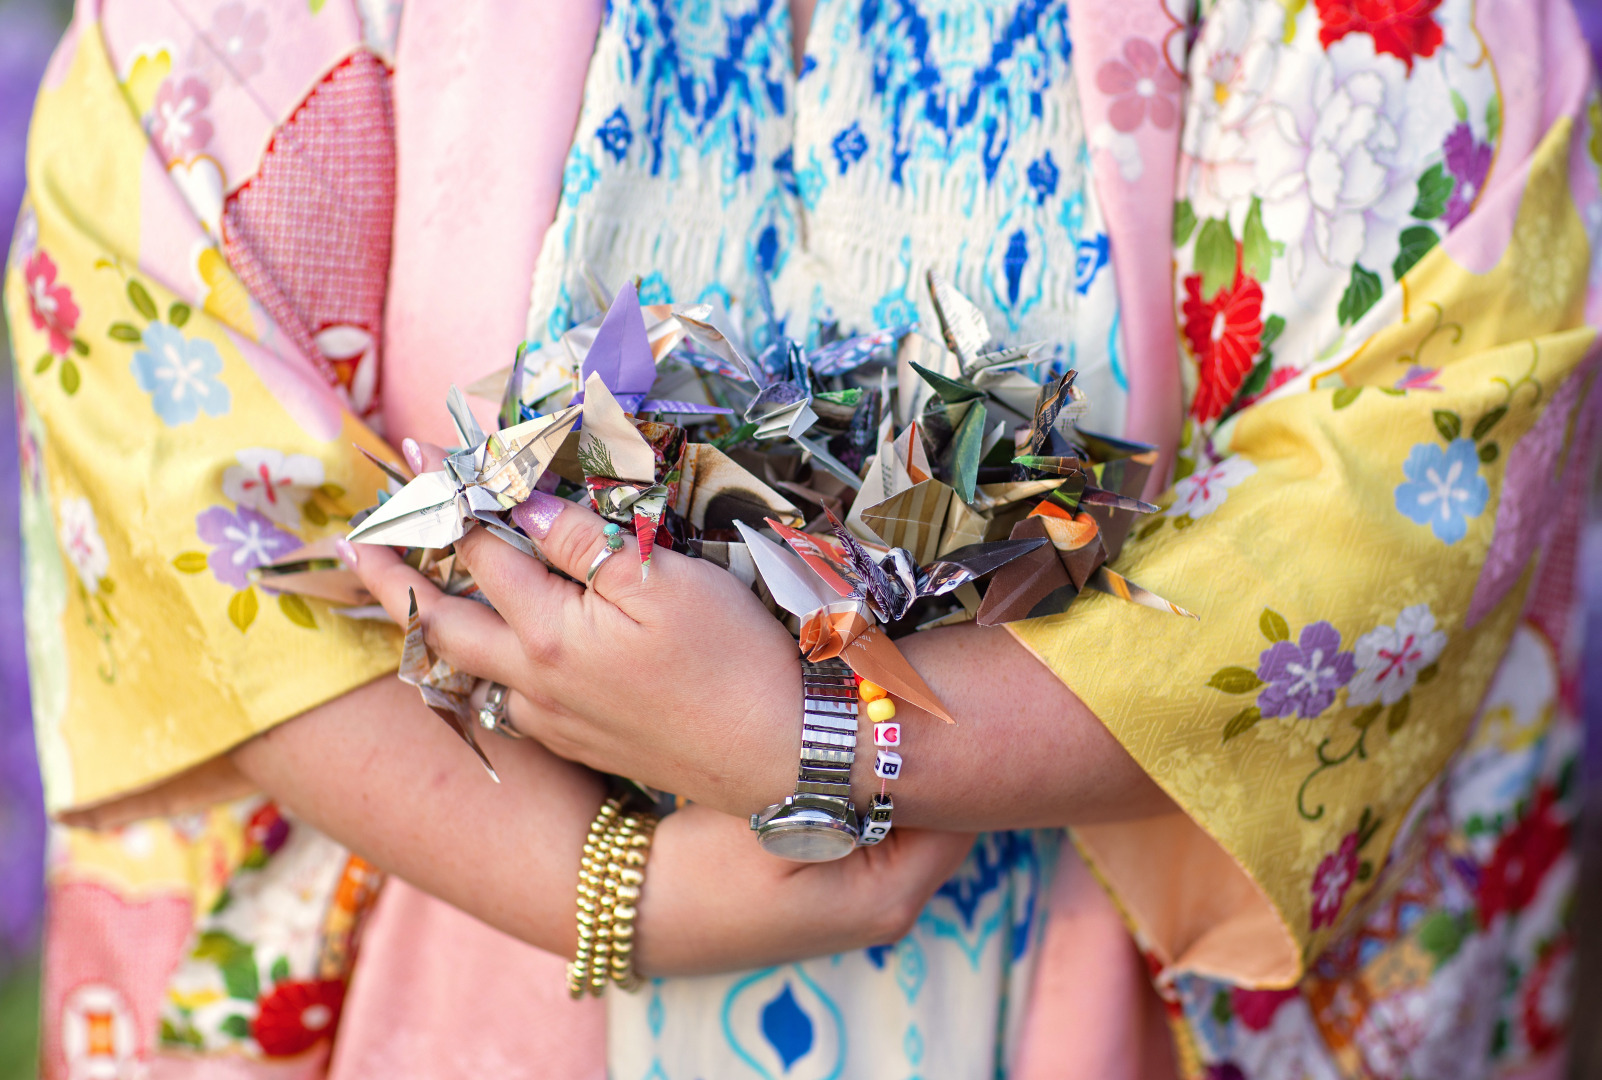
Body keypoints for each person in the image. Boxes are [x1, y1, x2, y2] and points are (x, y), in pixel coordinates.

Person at [8, 0, 1598, 1077]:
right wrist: (595, 886)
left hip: (1082, 967)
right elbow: (169, 444)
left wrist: (833, 738)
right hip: (473, 928)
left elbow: (1426, 441)